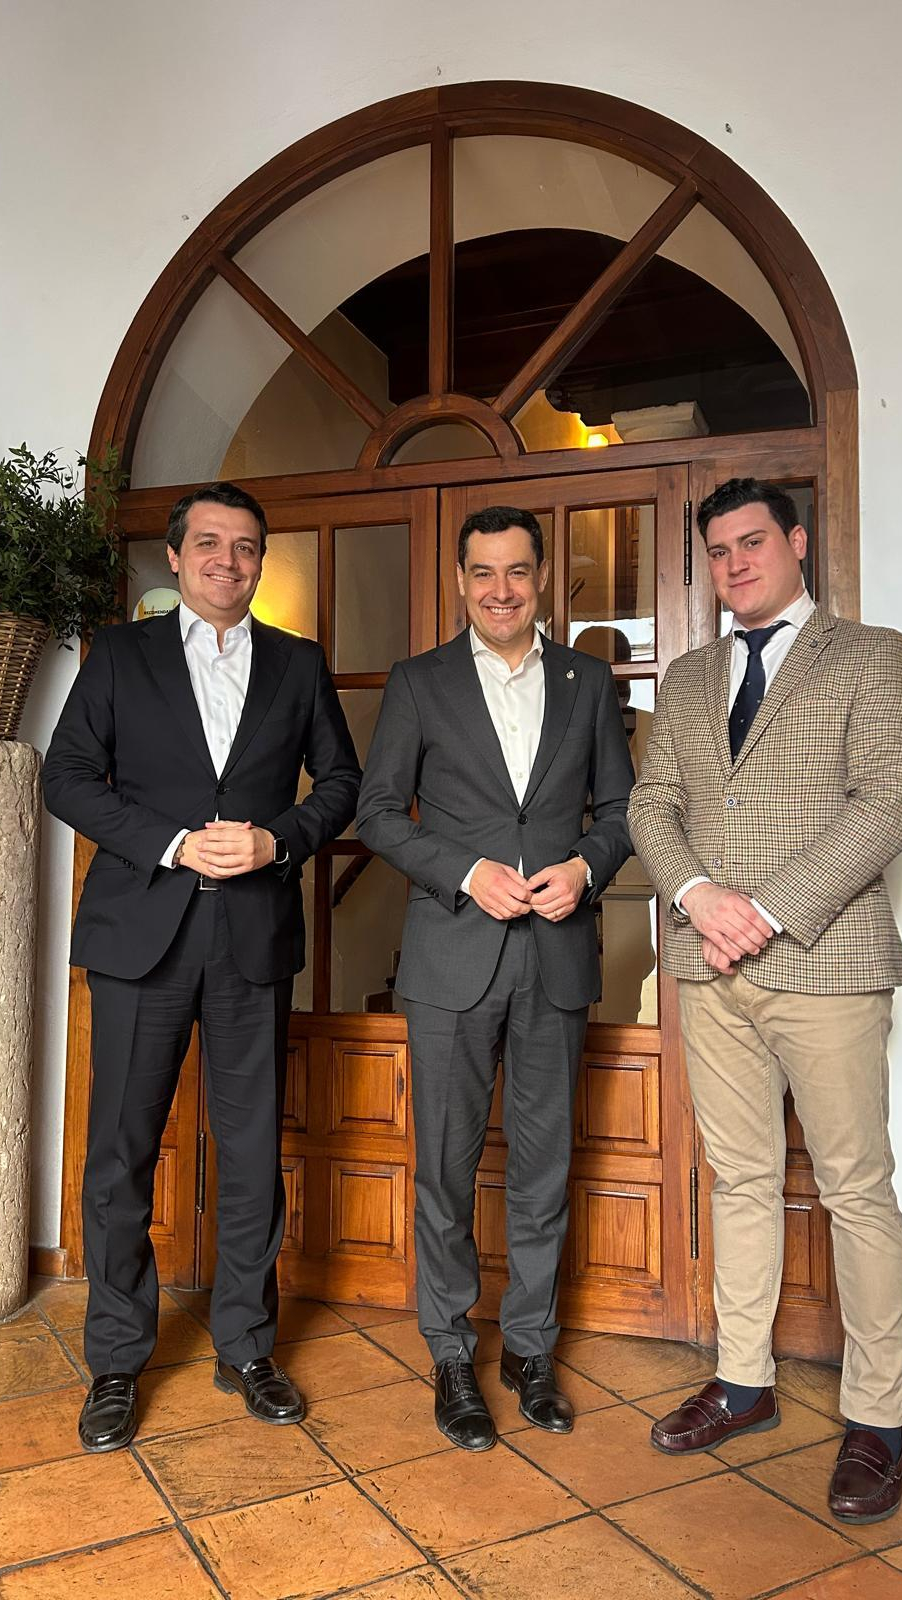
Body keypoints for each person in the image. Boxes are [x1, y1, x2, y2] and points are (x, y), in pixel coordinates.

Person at [629, 477, 902, 1524]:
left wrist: (768, 905)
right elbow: (651, 801)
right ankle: (743, 1380)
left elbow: (884, 801)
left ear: (797, 542)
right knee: (740, 1180)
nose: (736, 564)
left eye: (753, 542)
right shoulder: (693, 673)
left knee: (856, 1188)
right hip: (709, 968)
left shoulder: (873, 653)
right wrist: (702, 897)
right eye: (718, 551)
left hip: (828, 962)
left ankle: (878, 1417)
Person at [43, 481, 360, 1453]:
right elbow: (65, 777)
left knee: (252, 1149)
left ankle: (247, 1346)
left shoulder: (298, 665)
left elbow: (343, 782)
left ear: (261, 562)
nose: (230, 560)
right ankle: (115, 1359)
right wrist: (174, 843)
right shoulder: (119, 657)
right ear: (175, 559)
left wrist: (280, 842)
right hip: (142, 933)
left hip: (253, 938)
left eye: (247, 546)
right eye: (211, 544)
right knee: (121, 1157)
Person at [357, 504, 634, 1451]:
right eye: (483, 573)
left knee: (544, 1171)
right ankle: (449, 1356)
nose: (501, 590)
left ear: (542, 576)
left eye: (517, 571)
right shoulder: (419, 682)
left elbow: (625, 809)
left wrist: (587, 866)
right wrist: (464, 871)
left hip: (557, 958)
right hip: (449, 956)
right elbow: (379, 812)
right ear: (462, 580)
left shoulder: (588, 681)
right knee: (443, 1168)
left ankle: (527, 1350)